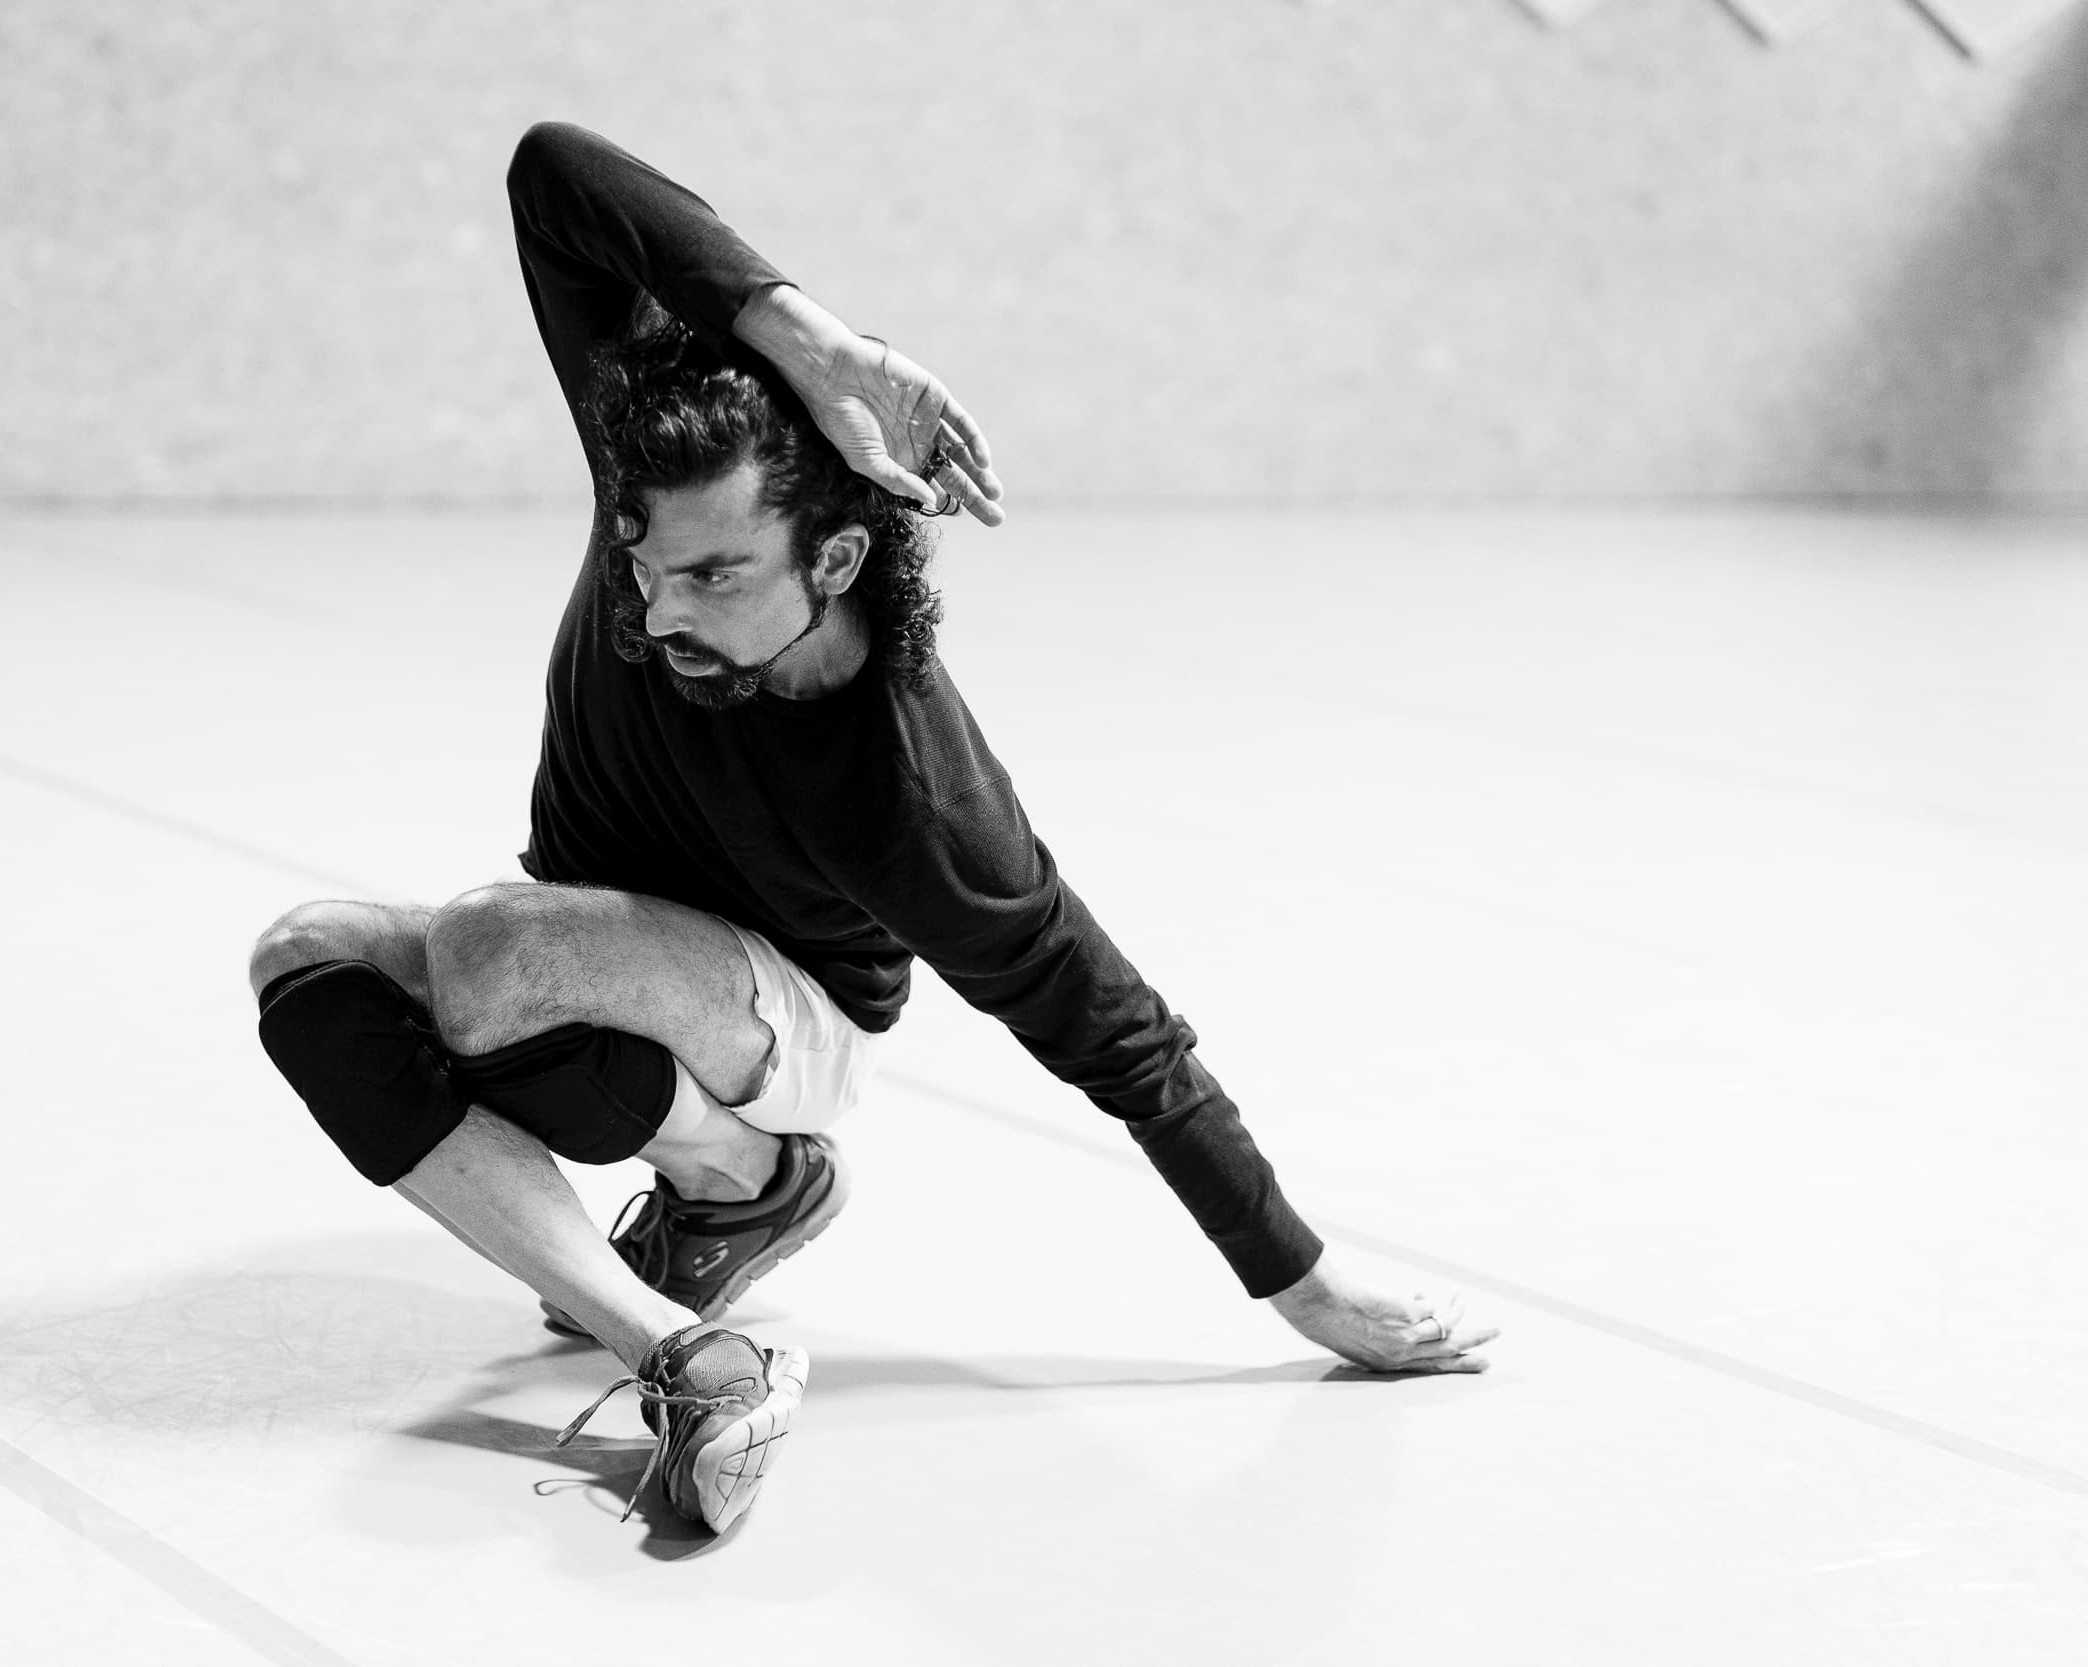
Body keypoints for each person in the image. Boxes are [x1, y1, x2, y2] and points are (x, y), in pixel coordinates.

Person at [248, 120, 1497, 1535]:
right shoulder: (661, 500)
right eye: (647, 565)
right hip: (584, 962)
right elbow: (552, 173)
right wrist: (813, 340)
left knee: (487, 948)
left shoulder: (918, 799)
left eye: (717, 574)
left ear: (834, 555)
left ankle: (746, 1170)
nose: (658, 612)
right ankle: (677, 1339)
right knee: (307, 965)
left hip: (787, 1028)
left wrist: (1305, 1281)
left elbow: (1118, 1032)